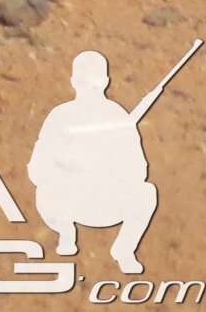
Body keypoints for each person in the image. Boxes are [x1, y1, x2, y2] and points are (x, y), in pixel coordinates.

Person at [28, 49, 162, 274]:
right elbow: (37, 169)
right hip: (66, 203)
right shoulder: (60, 116)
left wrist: (108, 167)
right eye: (84, 81)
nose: (89, 87)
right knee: (46, 190)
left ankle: (124, 250)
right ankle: (66, 233)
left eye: (93, 81)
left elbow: (139, 171)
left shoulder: (118, 118)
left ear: (105, 82)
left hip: (105, 202)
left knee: (147, 193)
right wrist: (68, 166)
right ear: (74, 82)